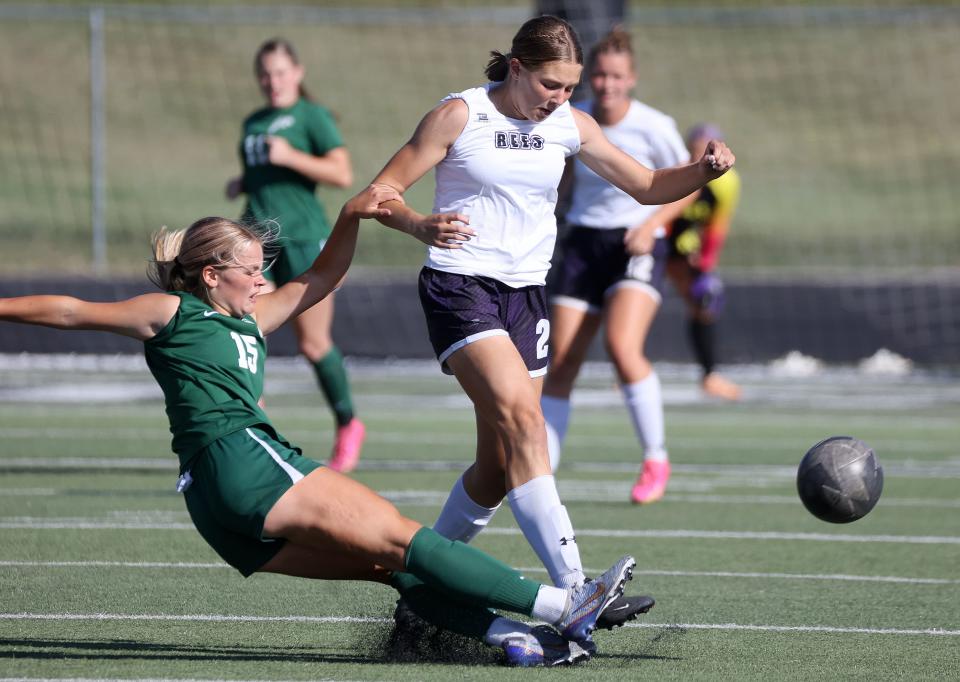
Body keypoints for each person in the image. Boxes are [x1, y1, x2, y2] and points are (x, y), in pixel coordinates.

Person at [0, 184, 636, 668]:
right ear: (212, 275)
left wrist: (351, 216)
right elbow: (69, 310)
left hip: (215, 507)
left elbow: (322, 277)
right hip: (243, 461)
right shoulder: (175, 311)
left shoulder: (250, 319)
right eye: (250, 270)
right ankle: (564, 605)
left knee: (389, 566)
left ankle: (516, 638)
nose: (262, 278)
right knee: (403, 535)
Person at [367, 15, 734, 631]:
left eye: (569, 87)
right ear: (515, 68)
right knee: (526, 422)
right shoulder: (461, 114)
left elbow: (645, 184)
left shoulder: (571, 124)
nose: (560, 99)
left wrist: (703, 171)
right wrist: (419, 224)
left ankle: (419, 587)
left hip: (526, 298)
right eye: (548, 86)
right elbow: (381, 193)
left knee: (494, 465)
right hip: (461, 288)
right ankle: (577, 590)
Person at [540, 27, 696, 506]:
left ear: (632, 79)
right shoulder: (573, 118)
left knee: (622, 347)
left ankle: (655, 457)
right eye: (600, 76)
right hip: (584, 244)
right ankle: (540, 474)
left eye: (616, 76)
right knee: (559, 364)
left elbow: (689, 183)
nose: (606, 84)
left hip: (635, 247)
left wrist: (652, 226)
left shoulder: (654, 126)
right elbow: (563, 179)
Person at [225, 38, 365, 473]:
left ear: (298, 73)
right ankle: (252, 430)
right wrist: (243, 183)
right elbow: (267, 180)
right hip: (257, 243)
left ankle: (348, 423)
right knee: (244, 330)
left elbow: (342, 173)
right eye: (265, 74)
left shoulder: (311, 117)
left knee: (312, 342)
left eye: (281, 72)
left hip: (305, 239)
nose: (273, 81)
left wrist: (291, 156)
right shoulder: (253, 122)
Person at [666, 123, 743, 401]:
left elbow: (717, 225)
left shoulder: (727, 181)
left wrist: (706, 260)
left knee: (705, 303)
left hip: (686, 250)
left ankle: (710, 374)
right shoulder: (677, 170)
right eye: (699, 146)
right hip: (656, 241)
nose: (707, 152)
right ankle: (625, 372)